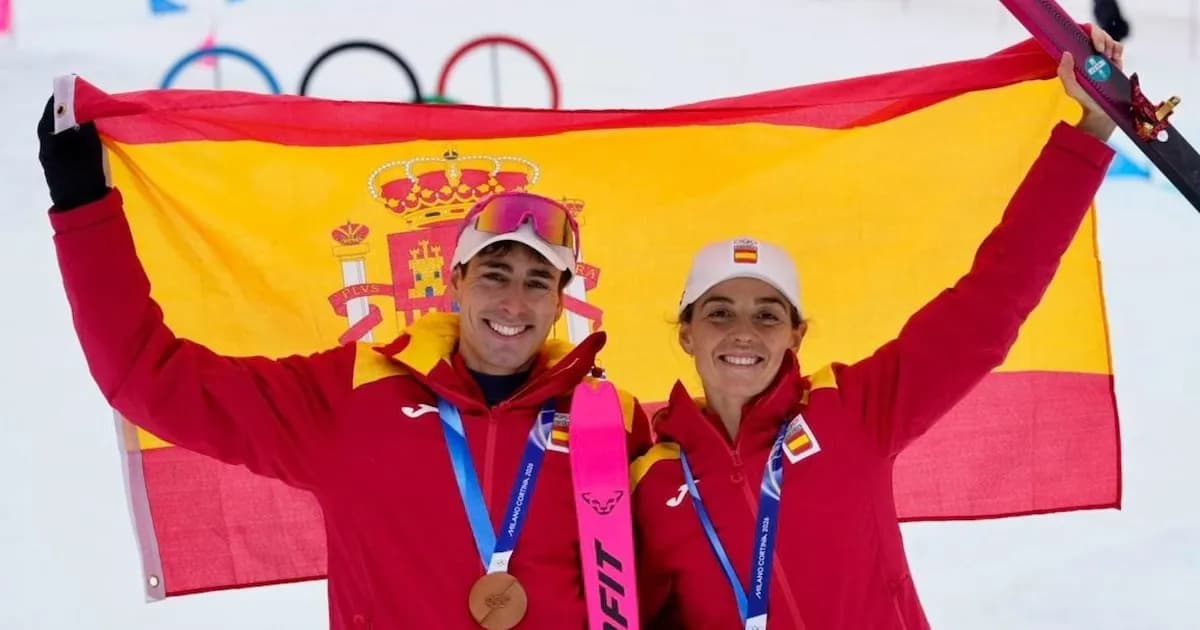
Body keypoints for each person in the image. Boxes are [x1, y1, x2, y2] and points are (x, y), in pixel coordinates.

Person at [38, 102, 652, 629]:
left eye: (538, 283)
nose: (514, 304)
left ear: (559, 302)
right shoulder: (353, 394)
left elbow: (676, 580)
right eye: (495, 275)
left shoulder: (609, 421)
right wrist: (83, 207)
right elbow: (148, 378)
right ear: (456, 281)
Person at [630, 27, 1123, 630]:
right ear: (686, 333)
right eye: (719, 312)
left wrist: (1089, 132)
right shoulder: (651, 482)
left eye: (767, 315)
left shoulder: (853, 412)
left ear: (796, 335)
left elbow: (991, 304)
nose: (743, 333)